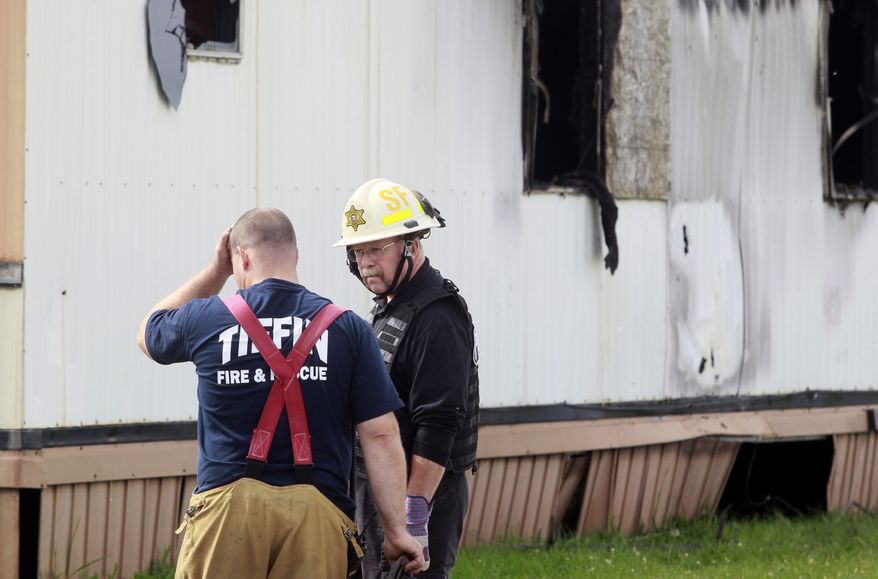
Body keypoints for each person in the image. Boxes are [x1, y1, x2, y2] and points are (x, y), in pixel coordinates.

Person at [137, 208, 425, 579]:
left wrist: (217, 271)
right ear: (296, 255)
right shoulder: (347, 328)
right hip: (316, 515)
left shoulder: (207, 318)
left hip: (226, 515)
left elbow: (148, 332)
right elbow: (382, 435)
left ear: (241, 257)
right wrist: (397, 531)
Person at [334, 179, 480, 578]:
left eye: (375, 249)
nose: (364, 262)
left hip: (416, 495)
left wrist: (413, 519)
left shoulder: (437, 319)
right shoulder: (392, 305)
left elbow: (439, 422)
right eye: (357, 250)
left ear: (411, 245)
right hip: (380, 489)